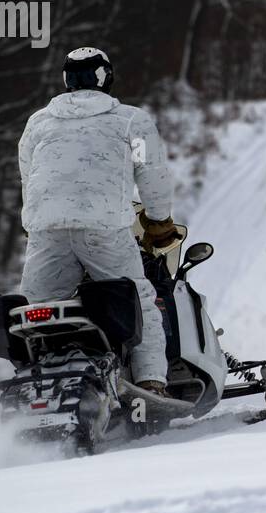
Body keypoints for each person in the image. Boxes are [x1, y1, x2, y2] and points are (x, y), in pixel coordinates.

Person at [17, 47, 178, 394]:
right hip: (104, 230)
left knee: (41, 311)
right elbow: (152, 176)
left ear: (66, 80)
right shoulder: (130, 120)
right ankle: (152, 382)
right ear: (106, 77)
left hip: (46, 232)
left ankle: (35, 382)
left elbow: (28, 176)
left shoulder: (38, 122)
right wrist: (159, 221)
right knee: (138, 300)